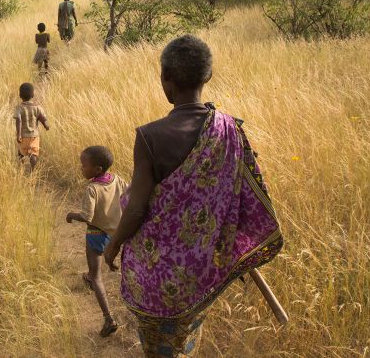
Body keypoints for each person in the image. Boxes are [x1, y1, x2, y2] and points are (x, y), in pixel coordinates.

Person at [103, 35, 283, 357]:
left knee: (158, 348)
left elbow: (136, 210)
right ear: (208, 77)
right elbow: (241, 196)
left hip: (154, 279)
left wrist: (113, 246)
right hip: (199, 274)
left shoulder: (149, 137)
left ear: (166, 80)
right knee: (185, 342)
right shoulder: (230, 130)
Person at [66, 145, 128, 338]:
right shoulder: (118, 179)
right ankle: (104, 266)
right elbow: (128, 198)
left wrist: (71, 215)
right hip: (116, 234)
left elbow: (87, 216)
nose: (81, 168)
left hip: (96, 234)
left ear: (97, 169)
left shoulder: (92, 188)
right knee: (95, 272)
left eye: (83, 165)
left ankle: (109, 319)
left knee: (96, 276)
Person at [14, 82, 49, 173]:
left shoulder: (19, 108)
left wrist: (18, 135)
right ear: (33, 94)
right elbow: (42, 117)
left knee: (20, 152)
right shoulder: (38, 107)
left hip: (23, 136)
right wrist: (46, 125)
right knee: (33, 154)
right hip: (34, 136)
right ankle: (33, 171)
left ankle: (20, 169)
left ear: (20, 95)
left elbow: (18, 120)